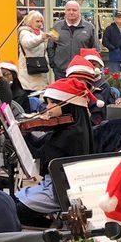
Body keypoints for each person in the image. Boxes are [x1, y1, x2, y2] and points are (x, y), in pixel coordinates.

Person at [15, 77, 97, 225]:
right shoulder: (69, 127)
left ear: (68, 105)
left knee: (18, 210)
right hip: (52, 184)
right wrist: (26, 135)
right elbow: (41, 144)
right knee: (14, 202)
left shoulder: (71, 135)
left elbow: (41, 155)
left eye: (53, 102)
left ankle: (50, 228)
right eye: (48, 102)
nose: (48, 107)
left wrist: (22, 136)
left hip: (59, 190)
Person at [50, 1, 97, 79]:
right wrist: (54, 64)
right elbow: (50, 46)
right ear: (65, 12)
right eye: (68, 10)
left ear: (79, 12)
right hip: (61, 72)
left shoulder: (89, 27)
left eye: (74, 10)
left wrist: (91, 66)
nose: (71, 12)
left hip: (81, 72)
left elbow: (95, 49)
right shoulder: (56, 27)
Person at [17, 10, 53, 95]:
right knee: (29, 95)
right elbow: (28, 43)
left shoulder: (41, 33)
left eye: (41, 21)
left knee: (38, 95)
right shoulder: (24, 32)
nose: (40, 24)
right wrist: (42, 38)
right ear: (30, 21)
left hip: (40, 69)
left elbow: (44, 51)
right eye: (37, 21)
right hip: (28, 70)